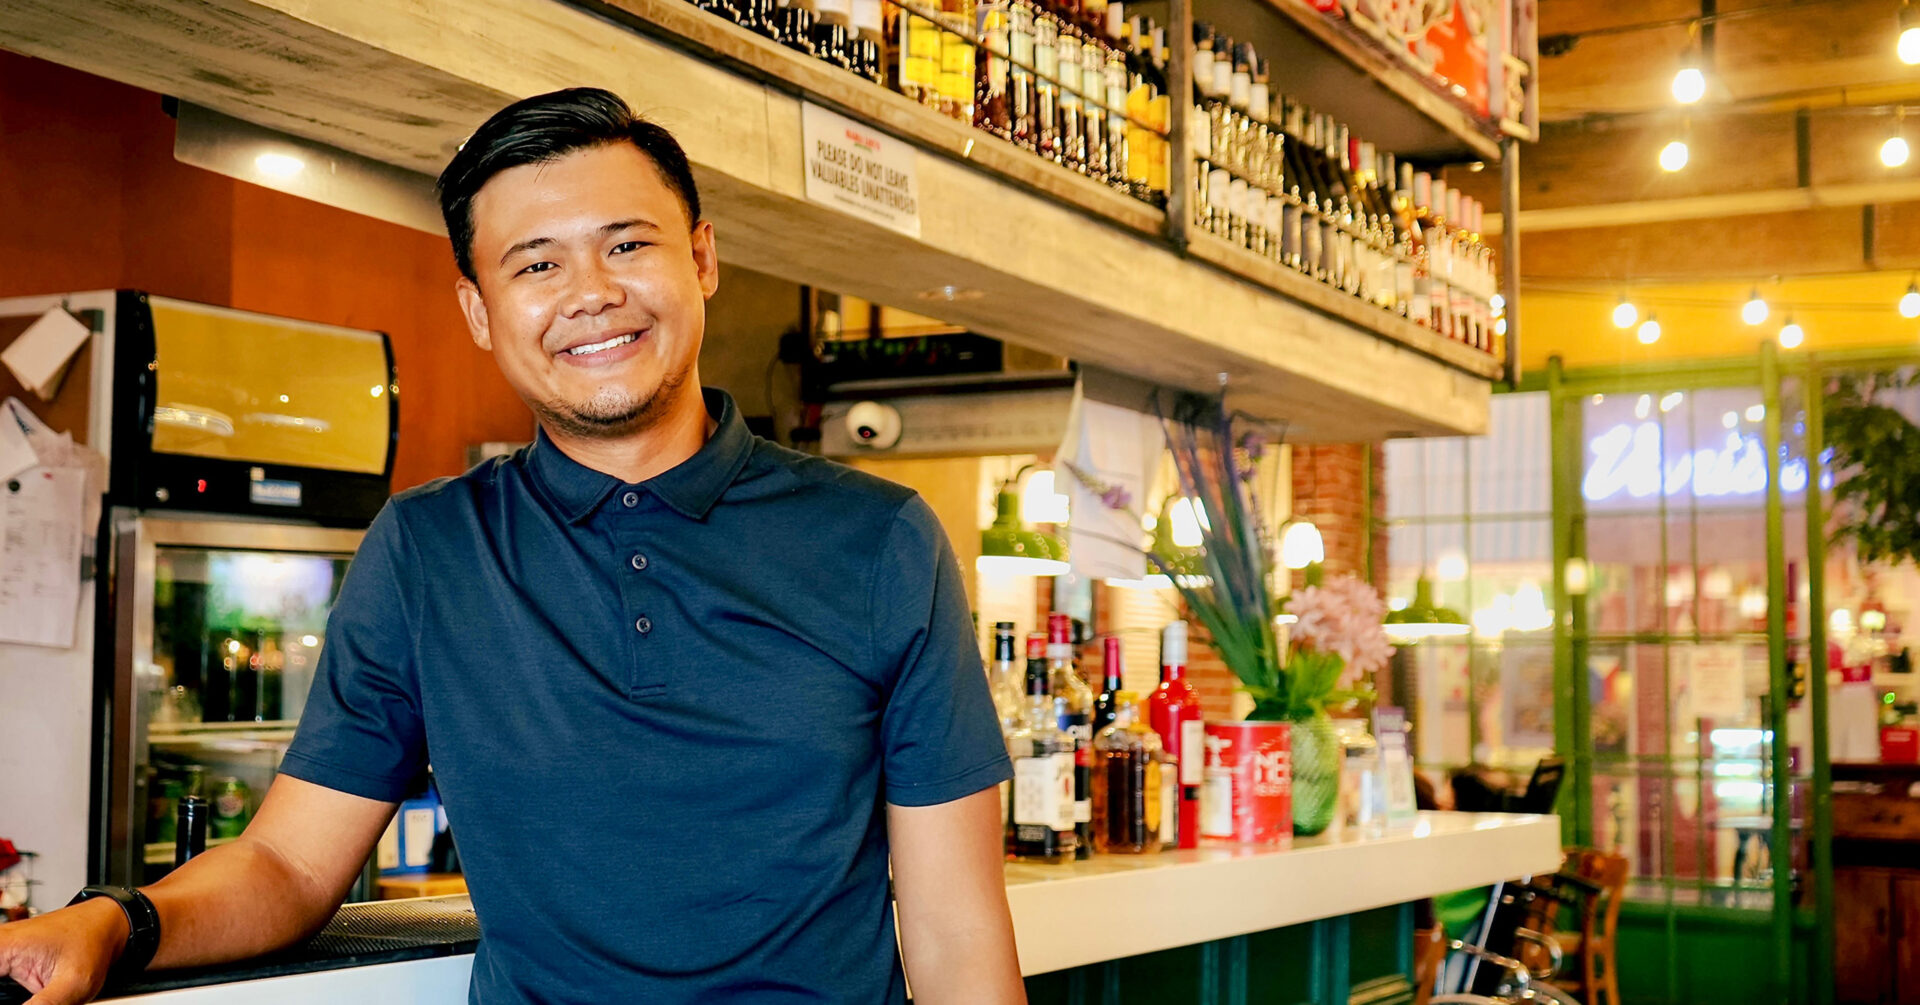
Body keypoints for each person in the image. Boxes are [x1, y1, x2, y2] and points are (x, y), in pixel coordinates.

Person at [0, 88, 1024, 1005]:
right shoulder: (428, 549)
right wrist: (114, 922)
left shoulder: (880, 539)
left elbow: (956, 934)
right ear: (480, 311)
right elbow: (291, 866)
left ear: (702, 259)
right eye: (537, 264)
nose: (591, 292)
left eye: (628, 245)